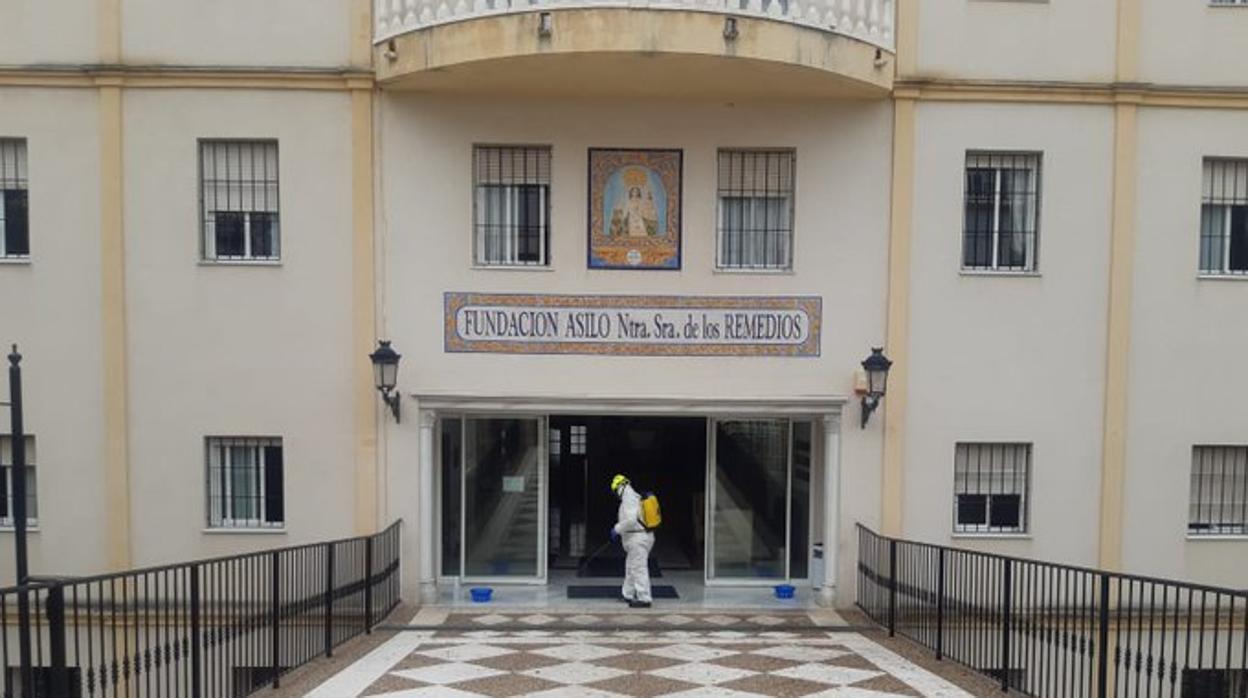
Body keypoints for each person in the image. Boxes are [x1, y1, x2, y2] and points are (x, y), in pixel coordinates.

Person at [609, 474, 654, 608]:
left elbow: (631, 520)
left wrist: (616, 529)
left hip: (638, 539)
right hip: (638, 538)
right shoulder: (633, 496)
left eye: (615, 490)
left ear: (619, 487)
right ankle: (627, 594)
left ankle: (644, 598)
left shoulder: (629, 498)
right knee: (631, 567)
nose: (616, 494)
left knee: (638, 568)